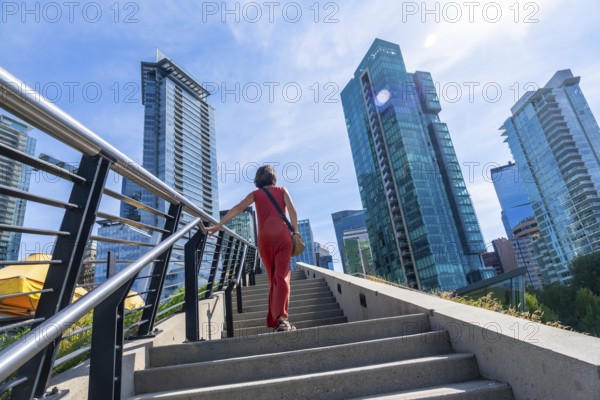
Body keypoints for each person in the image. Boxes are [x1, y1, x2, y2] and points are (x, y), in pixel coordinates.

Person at [206, 165, 299, 332]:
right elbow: (292, 210)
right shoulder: (282, 190)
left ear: (258, 178)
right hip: (282, 237)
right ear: (273, 177)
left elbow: (238, 208)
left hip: (264, 239)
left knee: (273, 278)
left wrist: (219, 225)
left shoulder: (255, 194)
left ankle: (277, 319)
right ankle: (282, 319)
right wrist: (296, 232)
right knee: (282, 276)